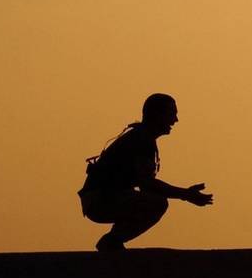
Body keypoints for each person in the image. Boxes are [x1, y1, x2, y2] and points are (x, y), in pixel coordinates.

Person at [79, 93, 213, 251]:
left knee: (153, 201)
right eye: (172, 114)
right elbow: (147, 184)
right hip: (100, 199)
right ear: (157, 115)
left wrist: (184, 194)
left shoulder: (142, 138)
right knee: (156, 203)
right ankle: (112, 241)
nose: (175, 120)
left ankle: (113, 241)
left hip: (103, 198)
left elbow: (146, 186)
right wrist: (185, 194)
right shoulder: (141, 140)